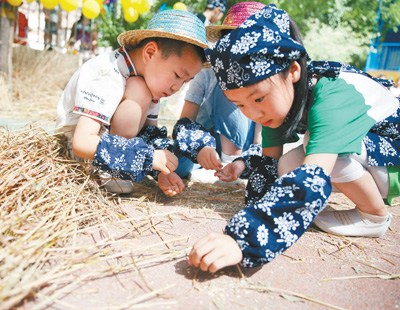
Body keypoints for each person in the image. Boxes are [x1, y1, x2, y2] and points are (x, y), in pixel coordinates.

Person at [188, 5, 400, 273]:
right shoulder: (280, 102)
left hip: (392, 163)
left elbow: (313, 174)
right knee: (286, 166)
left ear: (293, 71)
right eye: (241, 105)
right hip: (371, 156)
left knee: (315, 148)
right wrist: (256, 208)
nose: (254, 113)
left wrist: (243, 240)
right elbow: (268, 164)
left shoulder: (332, 96)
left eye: (258, 98)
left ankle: (374, 217)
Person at [56, 9, 208, 196]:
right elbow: (82, 142)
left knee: (140, 88)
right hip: (77, 157)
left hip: (107, 149)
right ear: (150, 52)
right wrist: (147, 157)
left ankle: (116, 169)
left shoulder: (150, 82)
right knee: (139, 89)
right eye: (177, 75)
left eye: (185, 81)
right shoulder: (105, 72)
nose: (177, 87)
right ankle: (111, 172)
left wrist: (161, 170)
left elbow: (148, 133)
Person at [173, 2, 265, 182]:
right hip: (205, 142)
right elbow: (185, 122)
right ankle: (216, 166)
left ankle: (231, 164)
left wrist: (243, 161)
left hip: (243, 149)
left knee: (231, 88)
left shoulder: (266, 78)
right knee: (175, 166)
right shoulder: (208, 69)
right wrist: (201, 147)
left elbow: (261, 139)